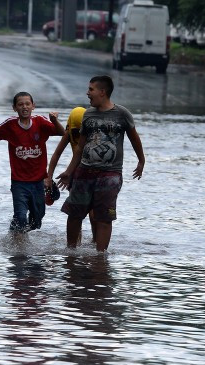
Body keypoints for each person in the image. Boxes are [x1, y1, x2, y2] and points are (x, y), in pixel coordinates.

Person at [56, 75, 145, 251]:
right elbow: (80, 148)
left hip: (110, 174)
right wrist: (69, 172)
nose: (87, 93)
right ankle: (70, 253)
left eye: (91, 89)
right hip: (84, 171)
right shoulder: (88, 114)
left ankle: (100, 258)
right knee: (74, 214)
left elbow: (135, 139)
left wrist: (141, 161)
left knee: (104, 217)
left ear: (102, 92)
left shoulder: (122, 114)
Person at [0, 92, 64, 232]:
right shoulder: (9, 126)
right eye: (20, 104)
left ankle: (15, 234)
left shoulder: (40, 122)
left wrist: (55, 120)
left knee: (36, 221)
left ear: (33, 106)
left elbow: (62, 132)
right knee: (20, 217)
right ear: (14, 108)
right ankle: (18, 244)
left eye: (27, 104)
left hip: (38, 181)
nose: (24, 107)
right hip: (19, 183)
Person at [46, 106, 97, 244]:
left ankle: (95, 241)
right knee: (76, 213)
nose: (79, 133)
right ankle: (76, 242)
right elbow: (56, 154)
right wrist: (49, 177)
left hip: (93, 175)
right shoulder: (69, 133)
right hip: (75, 175)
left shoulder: (92, 134)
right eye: (75, 130)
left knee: (94, 214)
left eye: (81, 130)